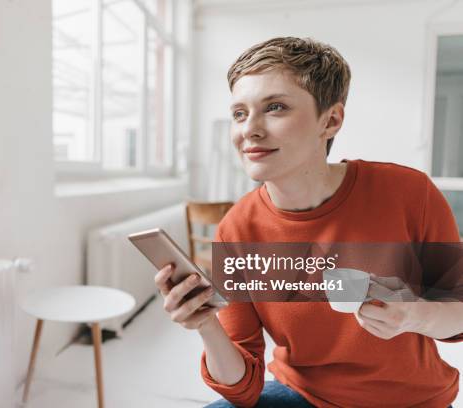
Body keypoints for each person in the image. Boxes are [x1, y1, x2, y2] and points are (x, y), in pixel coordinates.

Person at [153, 37, 463, 408]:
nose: (249, 130)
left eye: (276, 107)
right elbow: (244, 388)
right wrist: (205, 324)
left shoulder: (410, 193)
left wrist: (412, 317)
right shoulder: (237, 229)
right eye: (239, 113)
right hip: (302, 396)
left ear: (330, 120)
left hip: (410, 401)